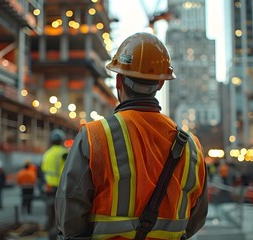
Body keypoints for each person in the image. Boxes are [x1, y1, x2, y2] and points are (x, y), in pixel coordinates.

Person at [55, 32, 208, 239]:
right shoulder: (192, 147)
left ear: (119, 81)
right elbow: (195, 219)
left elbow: (69, 218)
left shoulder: (94, 137)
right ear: (161, 83)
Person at [41, 129, 68, 230]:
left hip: (48, 187)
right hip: (59, 187)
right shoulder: (63, 153)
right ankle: (56, 230)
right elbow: (66, 171)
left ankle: (48, 228)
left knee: (50, 209)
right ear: (61, 140)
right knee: (59, 211)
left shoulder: (47, 153)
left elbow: (43, 169)